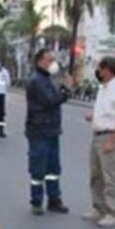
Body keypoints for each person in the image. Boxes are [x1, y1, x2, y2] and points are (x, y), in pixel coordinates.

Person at [83, 56, 115, 227]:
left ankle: (112, 213)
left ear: (107, 70)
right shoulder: (103, 88)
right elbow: (107, 112)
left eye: (99, 68)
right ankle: (99, 208)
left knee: (110, 177)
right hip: (97, 135)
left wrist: (112, 141)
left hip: (109, 136)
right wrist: (93, 116)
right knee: (95, 174)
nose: (97, 71)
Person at [25, 48, 74, 215]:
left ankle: (54, 199)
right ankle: (37, 201)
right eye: (50, 60)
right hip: (39, 131)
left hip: (51, 130)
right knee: (38, 168)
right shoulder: (37, 80)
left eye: (53, 59)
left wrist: (63, 89)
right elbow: (51, 101)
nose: (53, 63)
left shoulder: (47, 79)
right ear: (40, 61)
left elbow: (54, 99)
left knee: (53, 169)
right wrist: (66, 89)